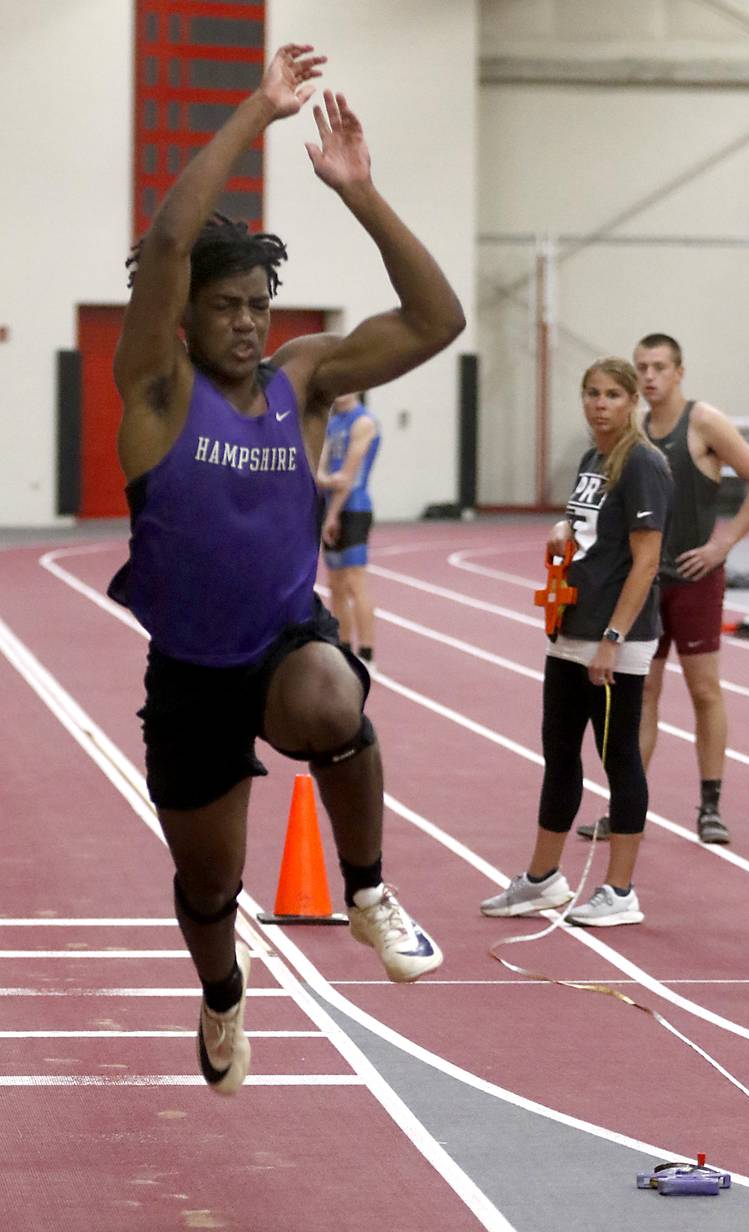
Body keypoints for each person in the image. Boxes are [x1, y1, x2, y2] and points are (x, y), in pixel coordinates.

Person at [108, 44, 465, 1095]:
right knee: (207, 883)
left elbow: (435, 321)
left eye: (260, 304)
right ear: (186, 315)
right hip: (190, 673)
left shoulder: (300, 381)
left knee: (331, 689)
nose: (249, 321)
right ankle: (222, 994)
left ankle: (367, 890)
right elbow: (173, 236)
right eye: (227, 306)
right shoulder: (157, 392)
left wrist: (361, 193)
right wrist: (255, 114)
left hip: (278, 643)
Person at [481, 358, 672, 926]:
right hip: (569, 629)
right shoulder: (594, 459)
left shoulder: (642, 463)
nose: (600, 403)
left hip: (613, 640)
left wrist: (613, 638)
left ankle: (620, 891)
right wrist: (565, 527)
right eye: (591, 393)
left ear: (632, 400)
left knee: (618, 761)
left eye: (613, 394)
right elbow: (587, 528)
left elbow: (646, 562)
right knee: (559, 754)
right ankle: (542, 879)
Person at [577, 334, 749, 846]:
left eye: (659, 367)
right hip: (645, 581)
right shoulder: (636, 430)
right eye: (642, 367)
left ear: (679, 371)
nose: (648, 376)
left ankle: (710, 805)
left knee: (704, 691)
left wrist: (723, 544)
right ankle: (626, 807)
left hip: (694, 578)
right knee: (642, 692)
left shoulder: (703, 421)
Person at [317, 391, 381, 664]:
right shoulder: (332, 422)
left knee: (355, 580)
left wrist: (332, 513)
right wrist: (326, 487)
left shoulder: (363, 422)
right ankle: (342, 647)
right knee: (335, 584)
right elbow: (319, 470)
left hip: (354, 509)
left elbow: (348, 476)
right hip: (330, 508)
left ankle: (366, 654)